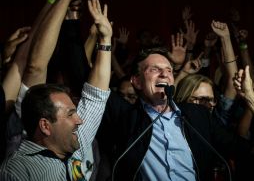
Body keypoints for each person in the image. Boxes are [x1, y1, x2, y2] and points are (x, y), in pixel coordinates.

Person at [96, 46, 252, 181]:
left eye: (169, 70)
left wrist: (251, 101)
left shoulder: (198, 115)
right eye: (154, 69)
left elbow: (244, 150)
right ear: (137, 81)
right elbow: (85, 80)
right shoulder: (126, 116)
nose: (164, 74)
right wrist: (104, 40)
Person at [0, 0, 112, 181]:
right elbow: (35, 66)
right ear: (45, 125)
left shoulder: (80, 138)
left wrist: (105, 39)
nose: (80, 120)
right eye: (70, 114)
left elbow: (96, 95)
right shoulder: (17, 169)